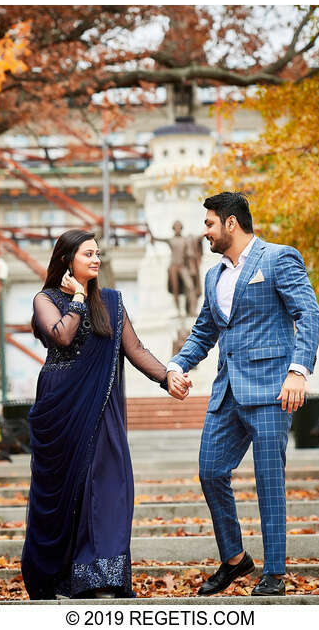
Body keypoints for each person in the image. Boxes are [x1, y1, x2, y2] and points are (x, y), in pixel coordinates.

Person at [165, 192, 319, 596]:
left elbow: (308, 314)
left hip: (273, 390)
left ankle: (274, 573)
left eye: (209, 224)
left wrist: (298, 371)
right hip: (227, 393)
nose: (205, 232)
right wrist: (176, 367)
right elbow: (204, 330)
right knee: (211, 471)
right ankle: (235, 559)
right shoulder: (214, 275)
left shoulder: (278, 258)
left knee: (269, 481)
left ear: (231, 223)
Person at [21, 229, 191, 600]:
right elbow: (61, 337)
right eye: (88, 254)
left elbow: (135, 348)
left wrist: (168, 376)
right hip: (61, 410)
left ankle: (101, 575)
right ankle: (60, 576)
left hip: (101, 408)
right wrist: (78, 297)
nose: (96, 260)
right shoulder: (45, 299)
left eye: (97, 254)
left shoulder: (111, 302)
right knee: (70, 490)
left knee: (110, 487)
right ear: (67, 260)